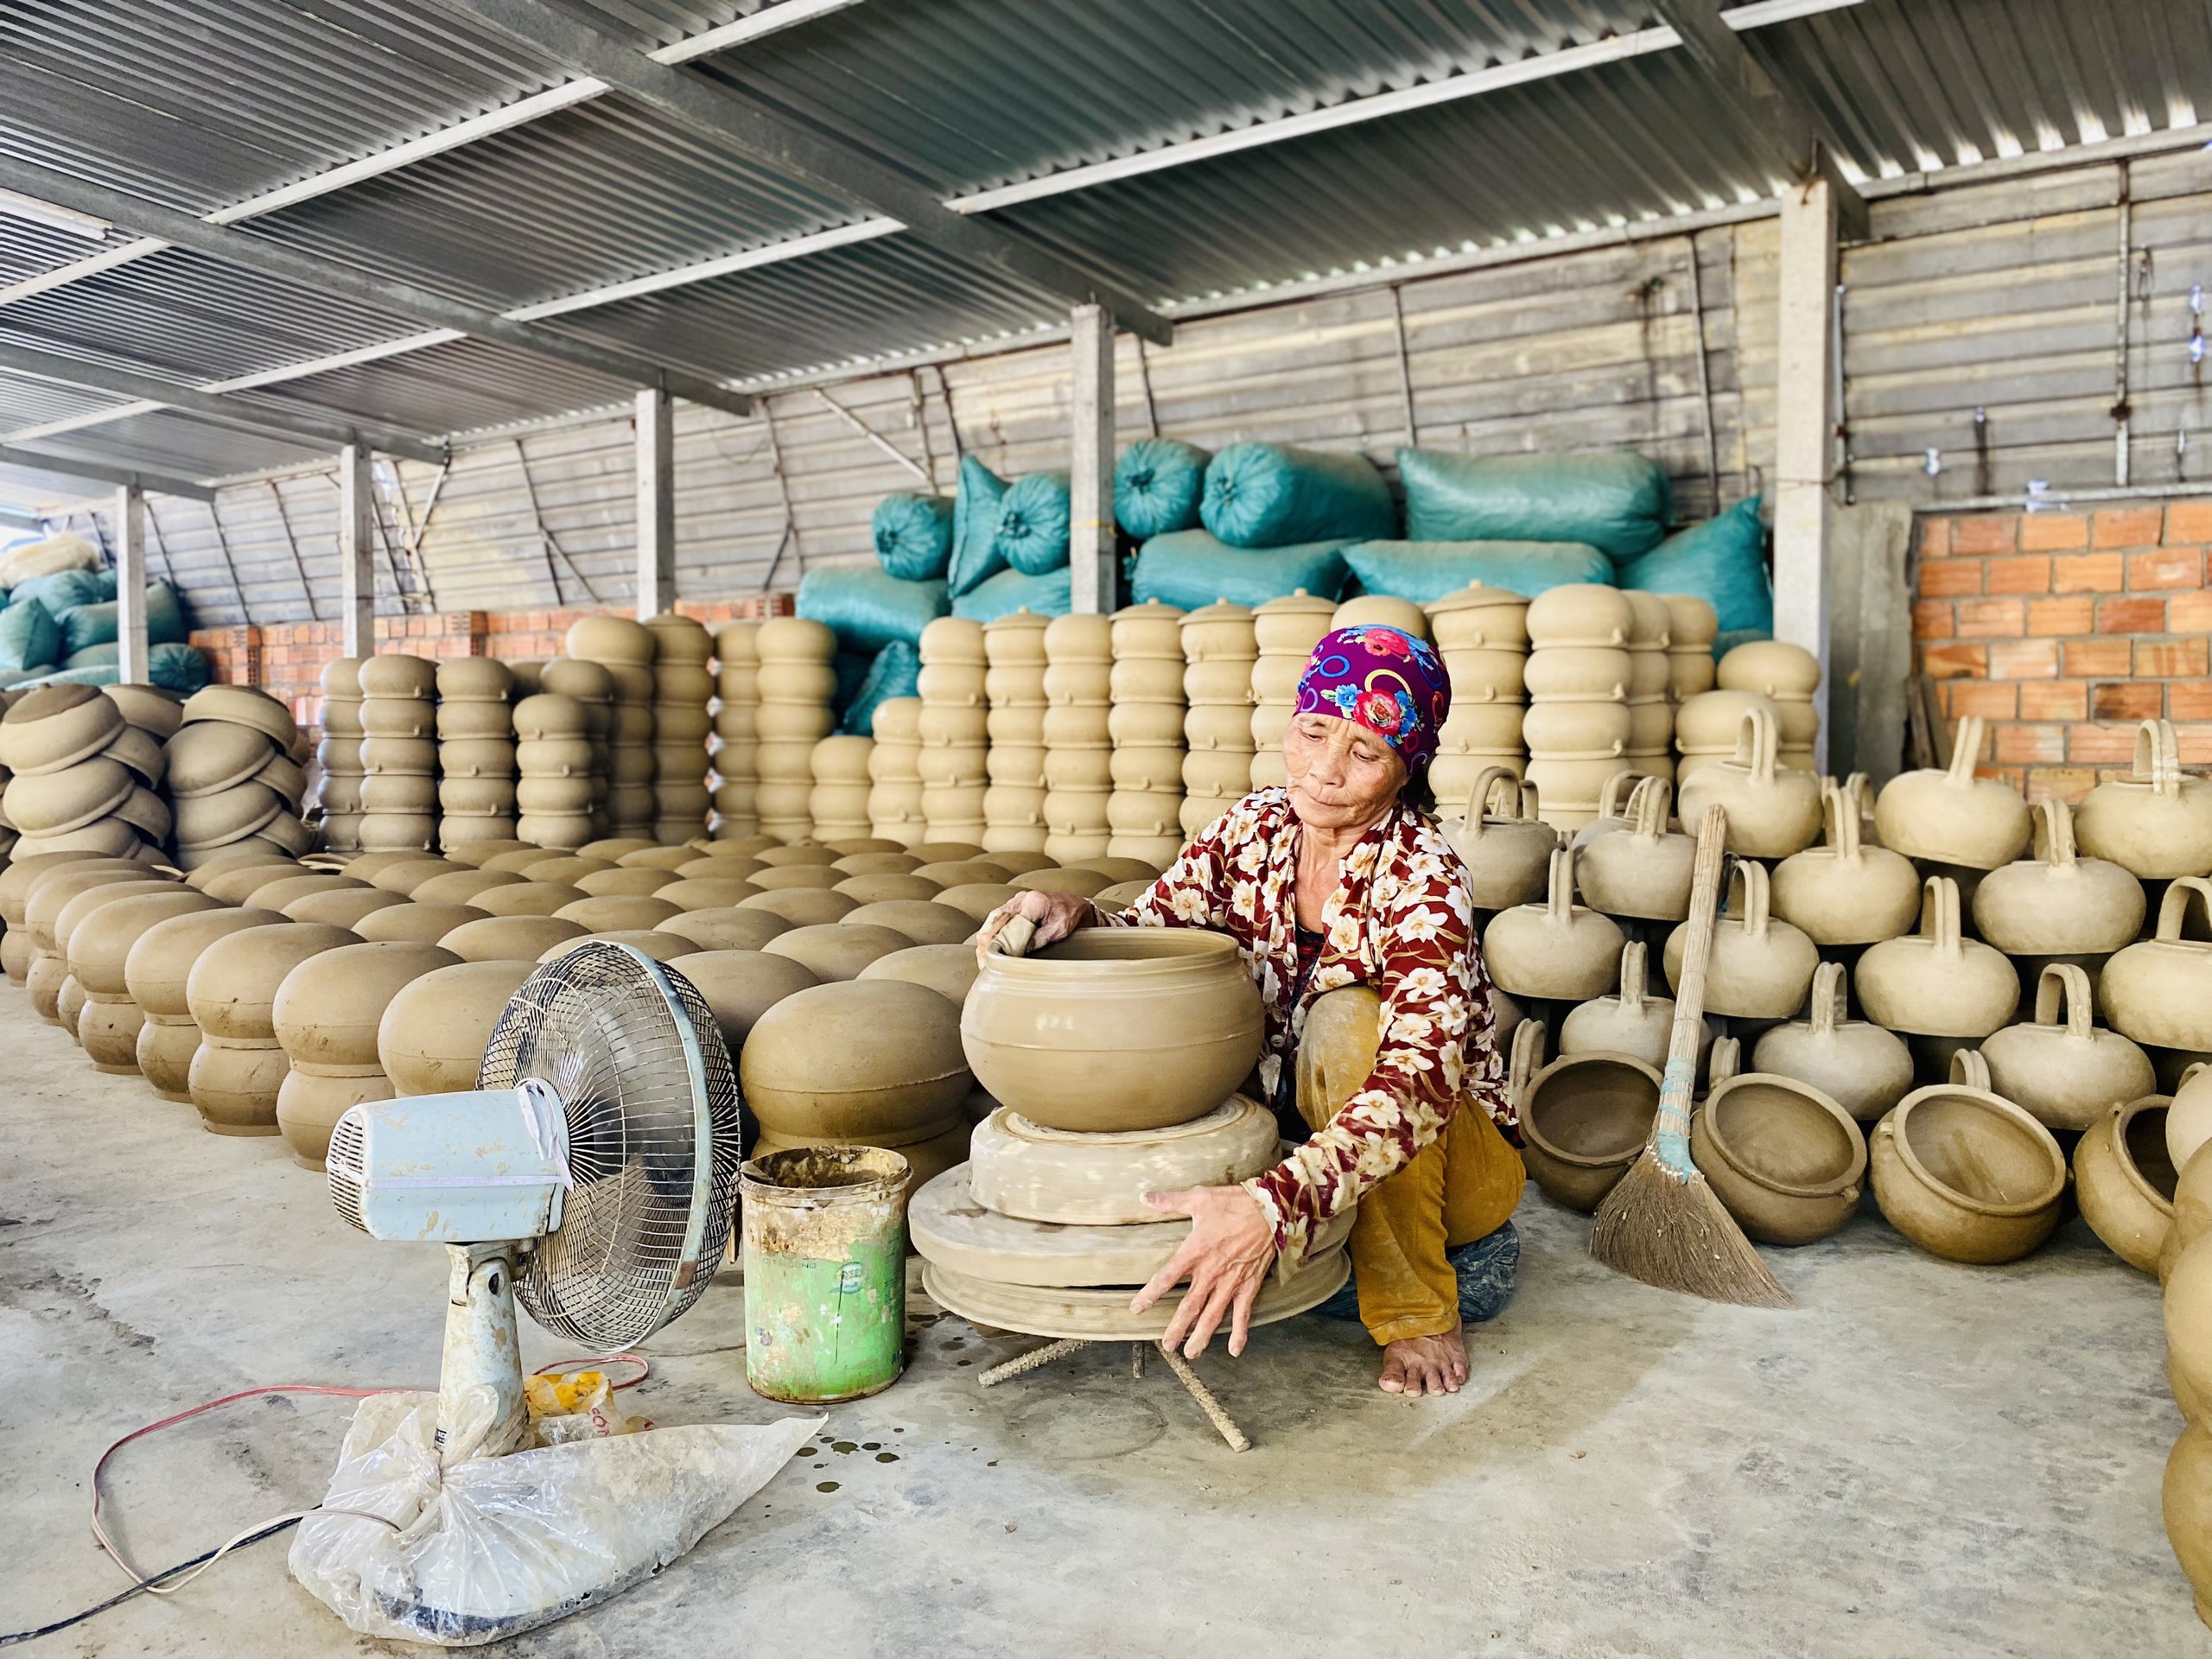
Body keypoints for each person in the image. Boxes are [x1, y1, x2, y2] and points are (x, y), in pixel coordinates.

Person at [976, 624, 1524, 1397]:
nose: (1326, 770)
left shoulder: (1424, 877)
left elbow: (1417, 1088)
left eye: (1365, 753)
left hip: (1450, 1158)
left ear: (1407, 770)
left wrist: (1272, 1207)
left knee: (1347, 1024)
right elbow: (1154, 941)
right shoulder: (1254, 830)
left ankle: (1418, 1310)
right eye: (1312, 732)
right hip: (1307, 1142)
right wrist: (1080, 917)